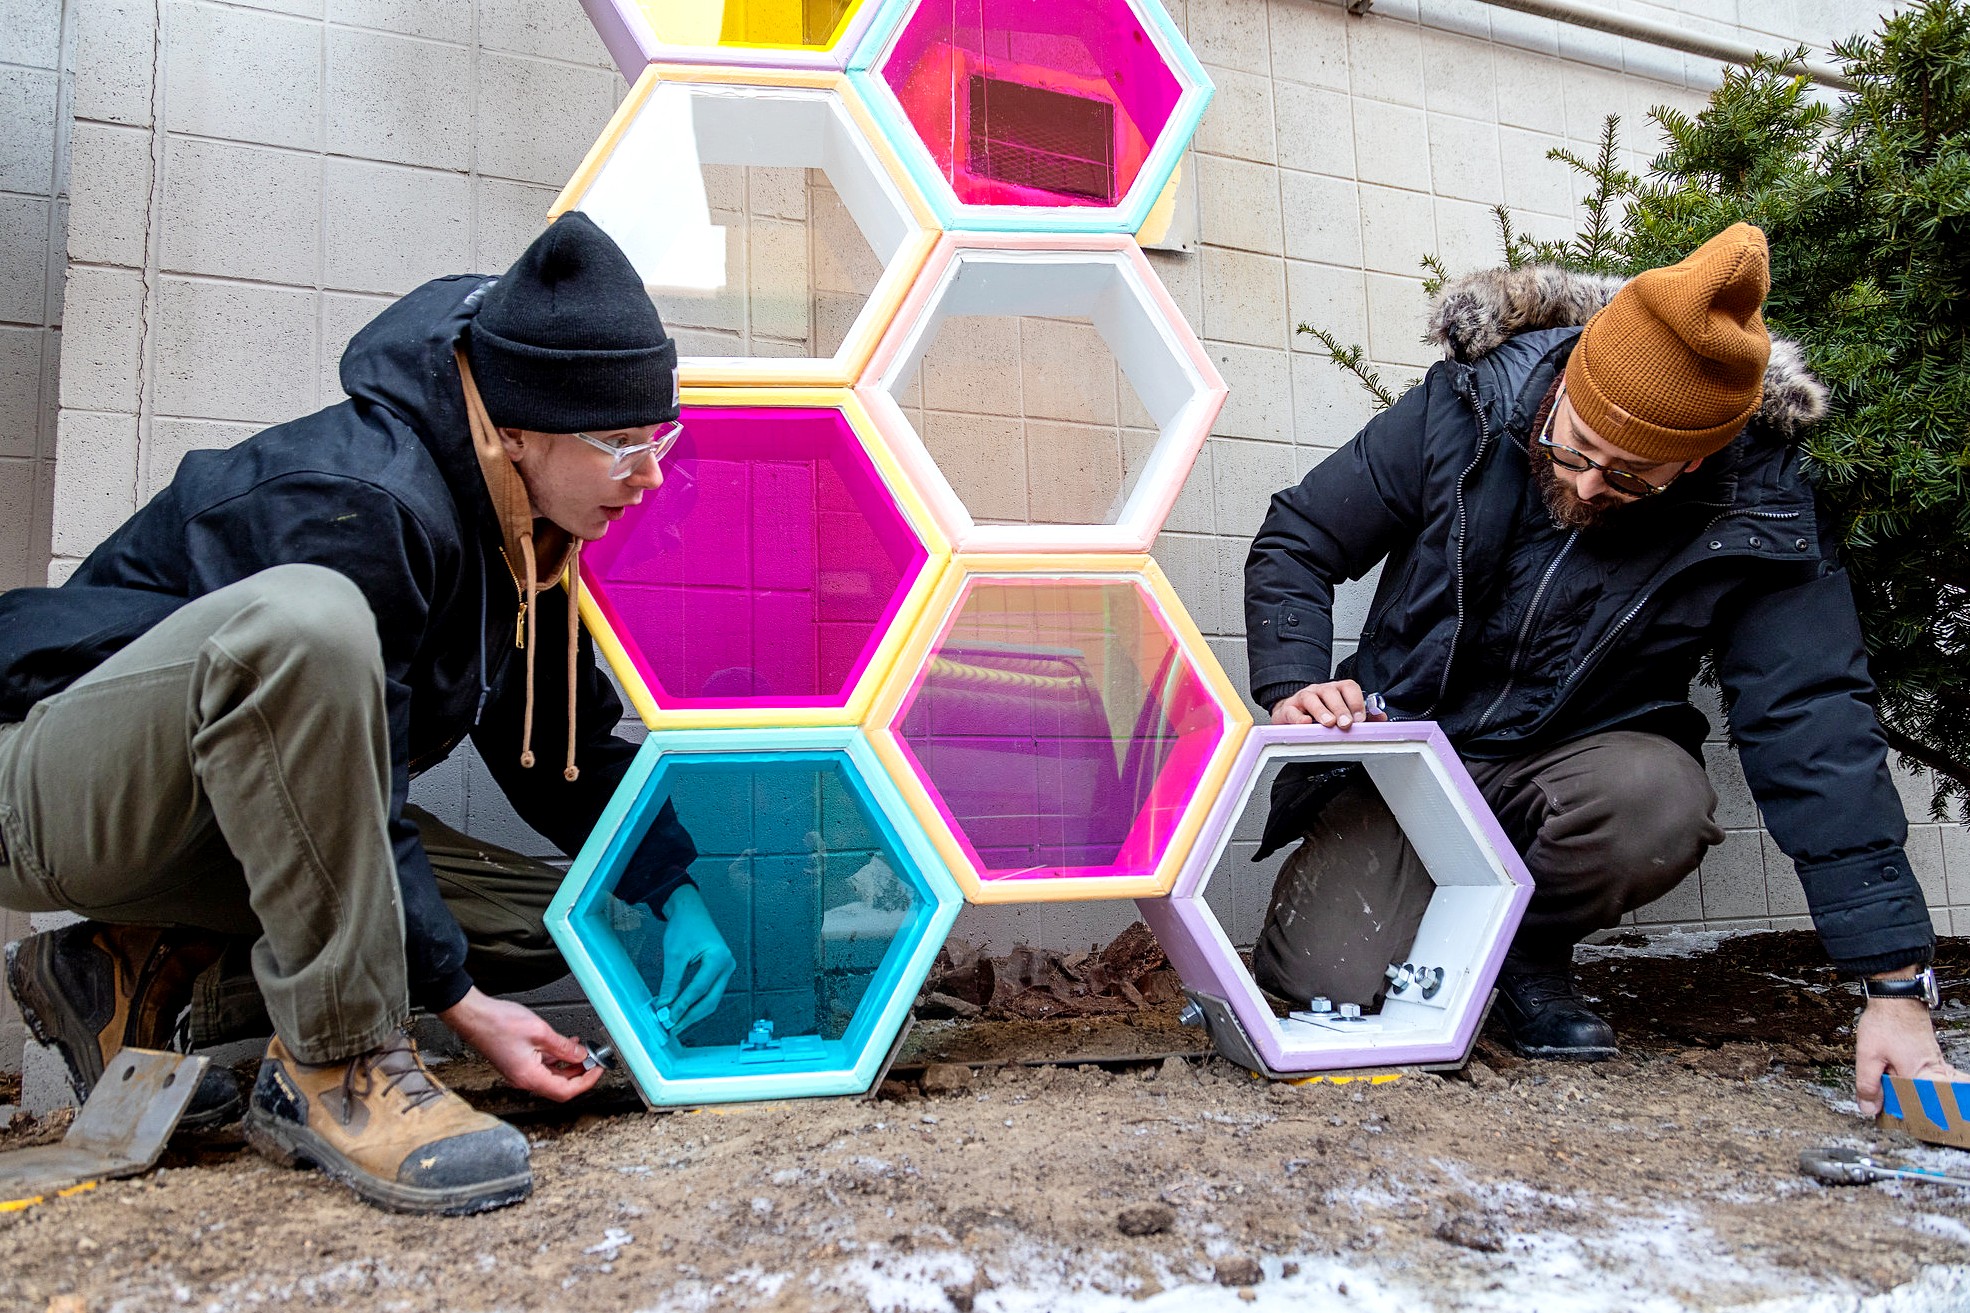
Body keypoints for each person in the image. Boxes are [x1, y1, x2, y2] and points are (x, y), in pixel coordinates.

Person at [0, 213, 736, 1215]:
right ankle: (339, 1062)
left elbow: (554, 752)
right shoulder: (366, 501)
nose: (649, 475)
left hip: (220, 817)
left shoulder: (525, 529)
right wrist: (461, 1009)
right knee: (311, 620)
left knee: (555, 920)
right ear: (519, 430)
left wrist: (676, 890)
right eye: (620, 443)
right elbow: (365, 788)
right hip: (49, 786)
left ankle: (130, 969)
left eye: (660, 439)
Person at [1243, 224, 1960, 1108]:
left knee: (1660, 802)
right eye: (1575, 445)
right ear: (1568, 381)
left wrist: (1893, 984)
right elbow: (1299, 537)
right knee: (1322, 978)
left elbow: (1812, 717)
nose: (1586, 485)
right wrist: (1294, 683)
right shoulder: (1474, 401)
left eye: (1630, 476)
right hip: (1412, 757)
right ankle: (1441, 943)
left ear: (1696, 459)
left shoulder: (1758, 506)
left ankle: (1520, 951)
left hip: (1578, 769)